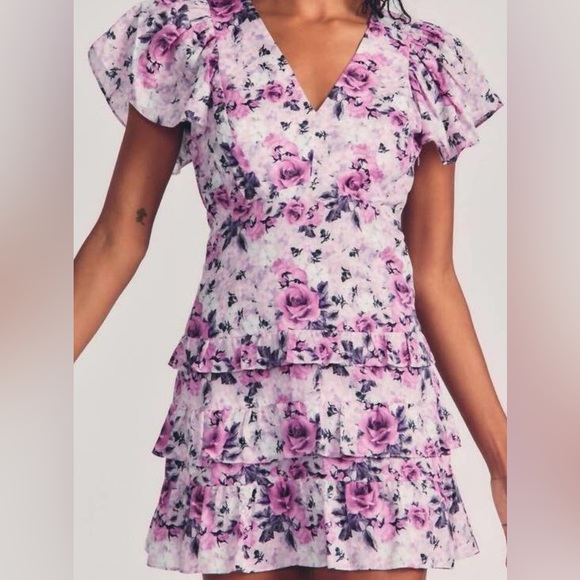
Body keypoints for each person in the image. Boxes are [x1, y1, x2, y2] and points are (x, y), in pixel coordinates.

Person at [74, 0, 507, 578]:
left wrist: (507, 463)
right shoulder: (193, 40)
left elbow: (434, 275)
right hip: (240, 409)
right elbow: (118, 236)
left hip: (377, 413)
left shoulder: (420, 60)